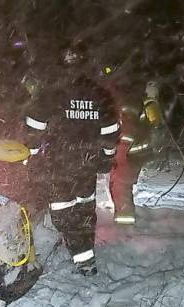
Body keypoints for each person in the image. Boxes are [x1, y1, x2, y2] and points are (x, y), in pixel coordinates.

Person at [20, 44, 120, 275]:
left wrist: (33, 157)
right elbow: (111, 131)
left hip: (58, 164)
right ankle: (84, 255)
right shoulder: (100, 95)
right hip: (86, 163)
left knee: (62, 209)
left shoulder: (52, 93)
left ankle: (78, 251)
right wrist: (105, 159)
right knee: (84, 208)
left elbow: (34, 127)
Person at [109, 80, 164, 225]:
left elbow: (128, 133)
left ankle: (124, 225)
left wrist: (120, 151)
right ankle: (124, 219)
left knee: (121, 186)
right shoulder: (148, 105)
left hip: (129, 153)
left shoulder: (142, 104)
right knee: (120, 186)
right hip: (135, 153)